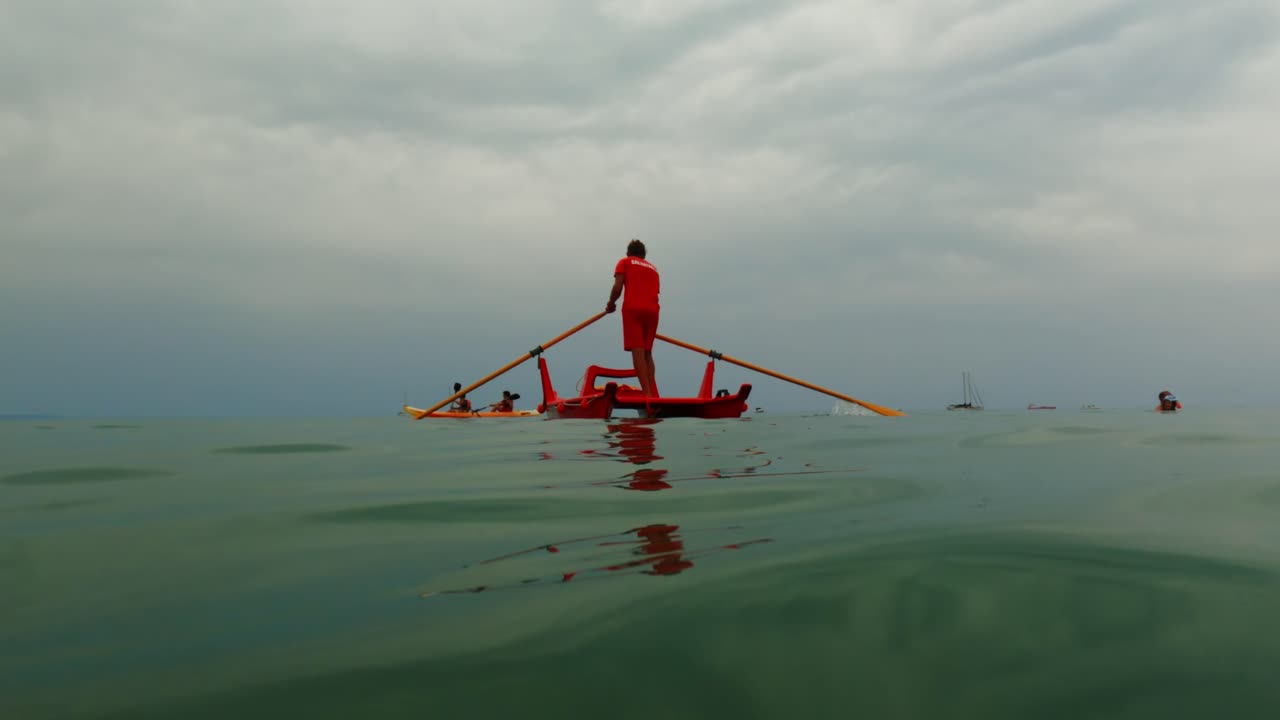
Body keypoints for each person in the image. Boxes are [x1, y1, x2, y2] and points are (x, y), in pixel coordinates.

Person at [605, 238, 661, 397]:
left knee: (638, 352)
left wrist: (611, 303)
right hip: (653, 312)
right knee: (647, 353)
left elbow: (617, 287)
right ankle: (653, 394)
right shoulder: (653, 268)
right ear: (643, 255)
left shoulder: (625, 262)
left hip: (633, 310)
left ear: (629, 253)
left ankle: (647, 397)